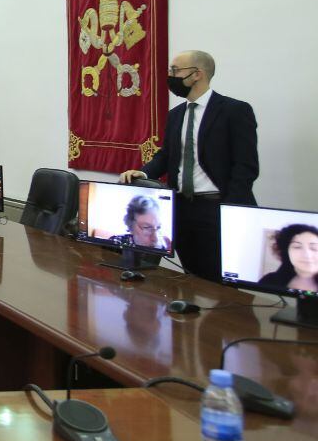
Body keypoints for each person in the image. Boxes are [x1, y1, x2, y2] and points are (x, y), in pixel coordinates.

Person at [120, 50, 259, 281]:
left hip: (216, 207)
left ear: (197, 74)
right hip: (182, 207)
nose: (171, 76)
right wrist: (144, 171)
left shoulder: (234, 111)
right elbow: (166, 156)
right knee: (192, 277)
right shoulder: (176, 115)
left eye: (175, 70)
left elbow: (245, 167)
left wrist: (231, 211)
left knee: (220, 282)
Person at [259, 224, 318, 293]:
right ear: (286, 251)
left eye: (313, 248)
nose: (307, 255)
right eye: (297, 247)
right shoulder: (269, 281)